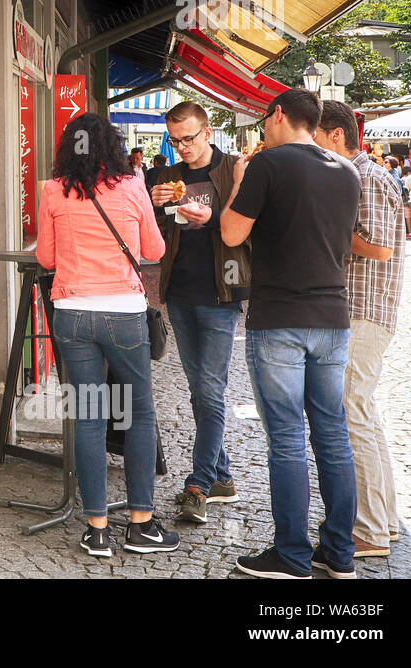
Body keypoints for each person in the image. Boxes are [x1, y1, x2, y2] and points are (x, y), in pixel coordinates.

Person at [220, 89, 360, 579]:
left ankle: (292, 555)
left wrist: (239, 182)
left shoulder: (268, 165)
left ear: (278, 115)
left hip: (280, 316)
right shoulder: (348, 172)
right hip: (333, 318)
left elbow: (232, 234)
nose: (262, 129)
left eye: (263, 119)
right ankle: (340, 554)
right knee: (333, 435)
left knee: (286, 438)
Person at [36, 112, 175, 559]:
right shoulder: (132, 186)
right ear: (113, 148)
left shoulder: (53, 189)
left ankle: (96, 528)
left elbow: (45, 256)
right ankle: (140, 524)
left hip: (73, 314)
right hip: (123, 314)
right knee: (138, 413)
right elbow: (154, 250)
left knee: (90, 417)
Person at [147, 101, 251, 524]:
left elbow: (250, 233)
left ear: (207, 132)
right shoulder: (167, 176)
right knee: (199, 391)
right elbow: (155, 238)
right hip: (181, 295)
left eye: (188, 138)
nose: (182, 147)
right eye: (174, 140)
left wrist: (212, 218)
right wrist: (153, 206)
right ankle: (223, 475)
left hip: (221, 294)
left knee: (210, 392)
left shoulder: (233, 172)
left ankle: (199, 484)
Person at [314, 100, 405, 563]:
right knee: (363, 412)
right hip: (362, 311)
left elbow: (382, 248)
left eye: (315, 136)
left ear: (334, 135)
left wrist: (327, 226)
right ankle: (382, 519)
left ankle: (368, 530)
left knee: (353, 415)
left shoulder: (365, 176)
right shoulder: (361, 176)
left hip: (365, 312)